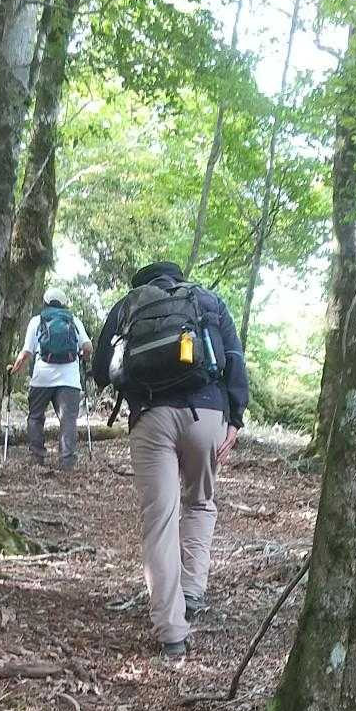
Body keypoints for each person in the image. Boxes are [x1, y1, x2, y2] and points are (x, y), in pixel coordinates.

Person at [92, 260, 247, 663]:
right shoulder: (207, 300)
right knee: (200, 503)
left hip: (151, 417)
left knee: (159, 520)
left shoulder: (128, 305)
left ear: (141, 283)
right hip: (206, 415)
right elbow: (234, 359)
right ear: (179, 278)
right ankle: (191, 592)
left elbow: (101, 372)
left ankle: (172, 633)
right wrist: (235, 419)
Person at [11, 293, 92, 471]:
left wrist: (14, 368)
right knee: (68, 420)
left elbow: (26, 352)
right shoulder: (74, 320)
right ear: (64, 304)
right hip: (69, 379)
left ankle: (37, 457)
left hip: (42, 377)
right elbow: (87, 347)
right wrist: (82, 357)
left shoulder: (37, 320)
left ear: (45, 302)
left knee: (35, 417)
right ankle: (67, 461)